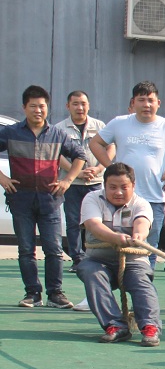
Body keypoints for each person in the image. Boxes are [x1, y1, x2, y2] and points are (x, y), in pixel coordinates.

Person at [88, 81, 165, 264]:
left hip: (153, 198)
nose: (146, 105)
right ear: (133, 103)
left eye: (151, 100)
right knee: (116, 250)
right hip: (121, 198)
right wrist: (110, 167)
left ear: (159, 103)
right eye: (142, 100)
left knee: (148, 251)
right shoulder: (119, 123)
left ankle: (144, 288)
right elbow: (95, 143)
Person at [0, 84, 90, 309]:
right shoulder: (11, 133)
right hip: (20, 198)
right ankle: (32, 294)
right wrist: (3, 178)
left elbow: (80, 155)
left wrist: (67, 180)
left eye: (42, 106)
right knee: (26, 249)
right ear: (24, 108)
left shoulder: (58, 134)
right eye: (33, 106)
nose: (38, 110)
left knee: (53, 249)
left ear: (47, 108)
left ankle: (55, 294)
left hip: (50, 200)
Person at [74, 163, 161, 345]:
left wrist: (138, 235)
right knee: (91, 272)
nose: (118, 192)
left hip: (133, 261)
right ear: (104, 186)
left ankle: (150, 327)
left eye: (124, 187)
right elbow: (93, 226)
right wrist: (115, 237)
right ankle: (115, 326)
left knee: (140, 281)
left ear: (133, 186)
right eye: (112, 187)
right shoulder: (92, 199)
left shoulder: (141, 203)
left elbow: (142, 223)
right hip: (98, 260)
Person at [57, 89, 107, 264]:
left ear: (89, 105)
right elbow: (57, 155)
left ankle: (94, 256)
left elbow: (111, 147)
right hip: (71, 183)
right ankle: (77, 258)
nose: (80, 108)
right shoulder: (59, 129)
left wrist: (100, 168)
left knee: (95, 221)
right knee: (73, 221)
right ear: (68, 106)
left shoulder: (99, 126)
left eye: (83, 104)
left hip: (95, 182)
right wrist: (76, 172)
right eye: (75, 104)